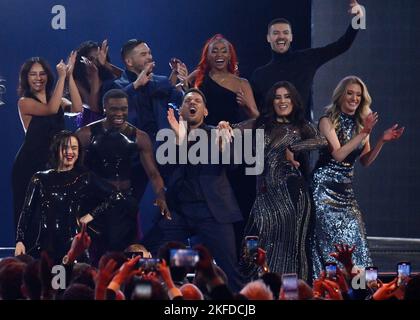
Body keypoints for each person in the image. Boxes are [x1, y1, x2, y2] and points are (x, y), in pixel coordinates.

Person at [310, 76, 404, 278]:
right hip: (324, 190)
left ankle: (359, 292)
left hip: (346, 192)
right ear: (341, 95)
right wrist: (365, 132)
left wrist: (381, 139)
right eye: (350, 93)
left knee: (356, 241)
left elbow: (365, 161)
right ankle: (329, 290)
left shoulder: (362, 124)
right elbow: (339, 154)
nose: (354, 98)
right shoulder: (327, 120)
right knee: (331, 245)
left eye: (358, 95)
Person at [232, 81, 327, 281]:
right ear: (272, 102)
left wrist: (294, 147)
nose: (282, 101)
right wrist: (224, 126)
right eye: (278, 97)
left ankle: (292, 292)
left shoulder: (301, 126)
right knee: (254, 247)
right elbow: (236, 129)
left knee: (292, 248)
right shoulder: (261, 124)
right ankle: (261, 291)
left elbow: (322, 141)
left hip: (293, 194)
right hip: (266, 194)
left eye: (287, 97)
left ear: (294, 101)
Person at [162, 88, 244, 291]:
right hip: (181, 213)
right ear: (180, 110)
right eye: (187, 100)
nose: (192, 103)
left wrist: (225, 140)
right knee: (170, 265)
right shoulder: (168, 136)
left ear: (205, 111)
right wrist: (180, 140)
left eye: (197, 101)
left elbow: (233, 163)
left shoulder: (216, 133)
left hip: (213, 212)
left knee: (228, 270)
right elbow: (166, 168)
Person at [75, 89, 170, 252]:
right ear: (104, 108)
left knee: (126, 252)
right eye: (114, 109)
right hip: (96, 203)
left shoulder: (140, 137)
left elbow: (153, 173)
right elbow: (76, 173)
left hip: (125, 201)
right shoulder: (86, 134)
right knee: (96, 252)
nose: (119, 113)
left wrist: (161, 195)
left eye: (123, 109)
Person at [190, 34, 260, 246]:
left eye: (224, 50)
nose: (219, 54)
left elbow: (258, 119)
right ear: (207, 55)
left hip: (237, 147)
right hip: (206, 146)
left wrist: (247, 106)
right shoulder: (198, 78)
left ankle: (242, 255)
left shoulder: (241, 83)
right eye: (215, 50)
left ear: (230, 55)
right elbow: (184, 103)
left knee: (239, 200)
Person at [251, 0, 363, 119]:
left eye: (285, 33)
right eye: (276, 33)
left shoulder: (307, 59)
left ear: (291, 37)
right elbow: (254, 114)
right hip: (272, 135)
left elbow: (343, 45)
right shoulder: (259, 75)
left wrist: (359, 19)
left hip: (304, 133)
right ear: (268, 38)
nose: (281, 37)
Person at [14, 131, 112, 263]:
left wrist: (90, 216)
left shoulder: (84, 177)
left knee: (76, 280)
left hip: (74, 247)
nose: (69, 152)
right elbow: (26, 211)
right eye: (65, 147)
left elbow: (114, 196)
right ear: (56, 149)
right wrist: (20, 240)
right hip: (45, 246)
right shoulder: (40, 178)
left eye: (74, 148)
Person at [12, 55, 83, 230]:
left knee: (53, 212)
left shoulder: (56, 98)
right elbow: (51, 109)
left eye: (42, 73)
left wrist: (70, 75)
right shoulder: (24, 102)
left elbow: (78, 109)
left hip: (53, 163)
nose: (38, 78)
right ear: (26, 78)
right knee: (29, 211)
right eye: (33, 74)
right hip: (29, 163)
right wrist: (61, 78)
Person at [101, 39, 184, 141]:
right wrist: (135, 85)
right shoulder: (115, 86)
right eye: (143, 54)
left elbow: (182, 102)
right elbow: (112, 107)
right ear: (129, 61)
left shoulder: (161, 81)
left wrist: (185, 83)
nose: (150, 57)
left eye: (149, 53)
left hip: (163, 147)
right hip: (132, 147)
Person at [73, 40, 123, 127]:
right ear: (82, 60)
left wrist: (106, 64)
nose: (94, 63)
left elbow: (127, 79)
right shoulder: (77, 82)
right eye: (90, 59)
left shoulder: (107, 81)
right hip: (89, 124)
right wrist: (94, 75)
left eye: (97, 60)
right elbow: (93, 109)